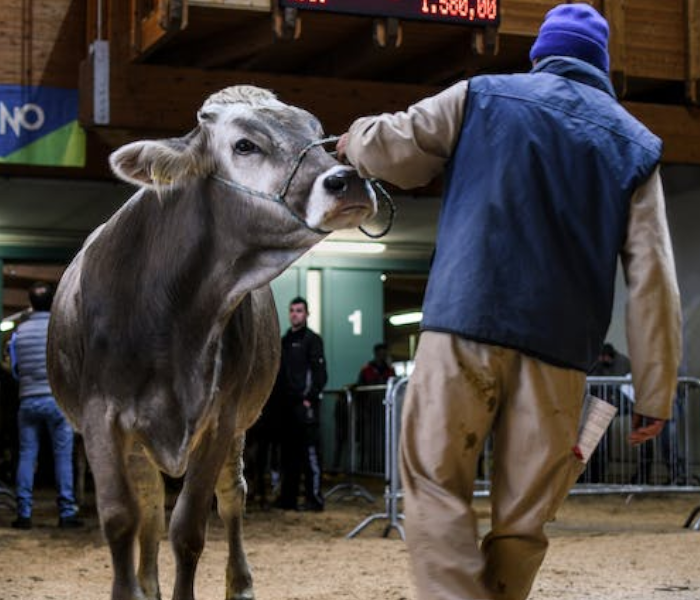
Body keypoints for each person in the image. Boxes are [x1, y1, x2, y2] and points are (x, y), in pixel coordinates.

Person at [337, 4, 681, 599]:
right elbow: (653, 278)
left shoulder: (481, 95)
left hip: (463, 324)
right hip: (560, 354)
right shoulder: (636, 145)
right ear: (603, 68)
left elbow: (399, 147)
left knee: (435, 485)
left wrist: (356, 139)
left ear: (541, 54)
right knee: (524, 519)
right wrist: (655, 390)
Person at [8, 282, 83, 529]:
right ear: (53, 302)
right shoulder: (60, 328)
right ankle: (66, 512)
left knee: (27, 456)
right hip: (56, 401)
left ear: (30, 303)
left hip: (28, 401)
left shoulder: (19, 332)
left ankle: (24, 513)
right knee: (63, 457)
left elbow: (16, 370)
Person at [274, 297, 328, 512]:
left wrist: (310, 397)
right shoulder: (284, 341)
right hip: (286, 409)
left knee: (310, 456)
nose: (295, 314)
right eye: (292, 310)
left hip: (305, 408)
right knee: (288, 457)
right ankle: (288, 499)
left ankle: (314, 500)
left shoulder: (313, 340)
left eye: (299, 310)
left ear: (306, 314)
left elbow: (320, 374)